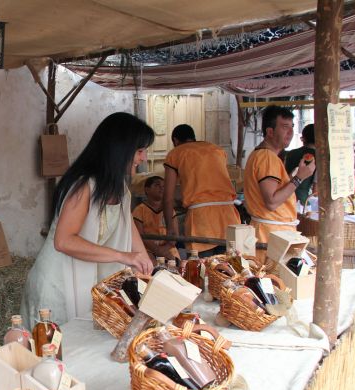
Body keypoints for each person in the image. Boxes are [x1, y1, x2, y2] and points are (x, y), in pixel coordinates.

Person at [20, 112, 155, 326]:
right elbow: (64, 241)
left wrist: (144, 263)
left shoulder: (119, 187)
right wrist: (123, 256)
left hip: (85, 284)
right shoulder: (84, 185)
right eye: (140, 151)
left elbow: (127, 226)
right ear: (119, 150)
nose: (144, 158)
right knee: (52, 352)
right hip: (57, 287)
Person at [244, 105, 316, 259]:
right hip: (272, 235)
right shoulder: (267, 157)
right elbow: (271, 202)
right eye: (284, 127)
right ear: (270, 131)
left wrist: (292, 176)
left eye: (292, 127)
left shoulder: (264, 156)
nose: (290, 132)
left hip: (273, 232)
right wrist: (299, 178)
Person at [163, 124, 240, 257]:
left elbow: (168, 197)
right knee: (229, 267)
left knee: (201, 270)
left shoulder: (176, 153)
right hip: (229, 215)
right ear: (193, 137)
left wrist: (170, 227)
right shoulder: (217, 150)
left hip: (201, 219)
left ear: (175, 141)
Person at [132, 175, 179, 260]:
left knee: (176, 266)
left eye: (164, 186)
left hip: (168, 248)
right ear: (147, 190)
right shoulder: (139, 210)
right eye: (157, 185)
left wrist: (164, 249)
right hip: (147, 249)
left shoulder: (170, 210)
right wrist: (157, 250)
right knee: (149, 268)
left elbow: (175, 234)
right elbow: (139, 235)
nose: (161, 188)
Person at [284, 123, 316, 205]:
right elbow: (316, 189)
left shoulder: (290, 153)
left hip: (285, 197)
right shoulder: (320, 158)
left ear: (303, 138)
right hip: (303, 201)